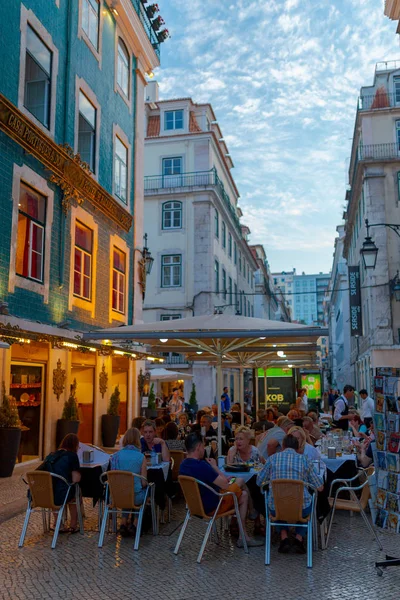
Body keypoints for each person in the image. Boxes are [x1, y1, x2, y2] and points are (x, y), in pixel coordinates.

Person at [179, 432, 263, 547]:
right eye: (203, 446)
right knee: (240, 480)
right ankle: (251, 512)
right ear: (198, 447)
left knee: (243, 495)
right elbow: (225, 485)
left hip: (195, 506)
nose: (204, 449)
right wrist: (214, 467)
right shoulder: (202, 466)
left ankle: (243, 537)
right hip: (214, 506)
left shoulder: (183, 465)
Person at [257, 434, 324, 554]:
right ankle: (299, 538)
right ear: (298, 448)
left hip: (277, 509)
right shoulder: (304, 460)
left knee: (275, 502)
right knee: (306, 502)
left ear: (283, 446)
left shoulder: (272, 459)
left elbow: (259, 482)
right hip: (300, 509)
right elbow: (320, 487)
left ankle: (284, 537)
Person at [39, 433, 81, 533]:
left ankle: (59, 524)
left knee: (54, 489)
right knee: (74, 494)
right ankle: (73, 525)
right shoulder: (72, 456)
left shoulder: (51, 455)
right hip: (62, 494)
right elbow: (76, 479)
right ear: (75, 445)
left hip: (45, 494)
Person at [110, 427, 147, 537]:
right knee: (140, 492)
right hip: (135, 497)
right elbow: (144, 483)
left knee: (126, 491)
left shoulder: (115, 456)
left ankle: (123, 523)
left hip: (117, 496)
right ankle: (135, 524)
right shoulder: (141, 457)